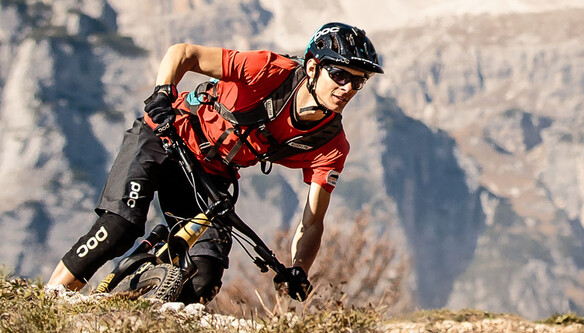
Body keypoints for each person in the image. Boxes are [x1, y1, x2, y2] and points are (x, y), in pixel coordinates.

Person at [44, 22, 382, 303]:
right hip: (164, 137)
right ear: (313, 67)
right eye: (340, 74)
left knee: (204, 275)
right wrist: (163, 92)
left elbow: (312, 223)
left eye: (358, 80)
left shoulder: (331, 145)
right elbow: (183, 53)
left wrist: (299, 269)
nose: (348, 87)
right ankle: (51, 299)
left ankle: (133, 315)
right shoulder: (268, 70)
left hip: (213, 172)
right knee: (122, 226)